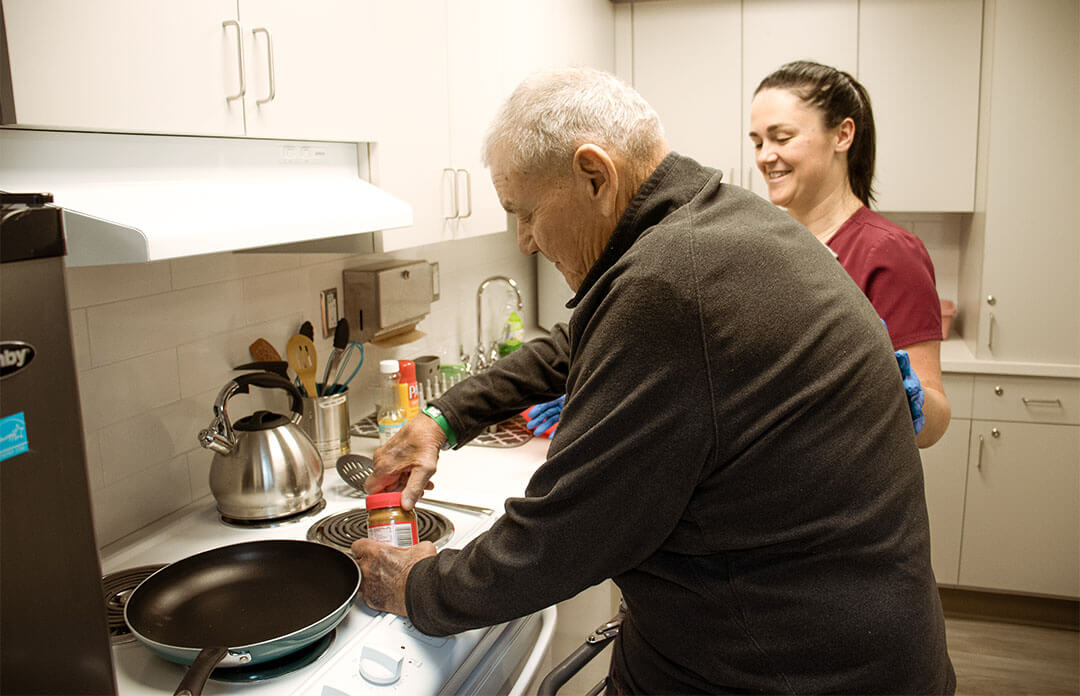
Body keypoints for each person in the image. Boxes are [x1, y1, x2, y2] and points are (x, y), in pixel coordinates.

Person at [351, 67, 954, 694]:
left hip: (789, 670)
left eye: (524, 212)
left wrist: (416, 585)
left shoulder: (670, 282)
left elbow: (563, 535)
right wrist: (445, 415)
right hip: (817, 641)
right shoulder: (717, 220)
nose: (525, 240)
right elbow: (575, 341)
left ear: (595, 175)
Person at [749, 60, 950, 448]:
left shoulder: (889, 252)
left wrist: (907, 398)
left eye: (782, 137)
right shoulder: (768, 243)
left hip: (848, 486)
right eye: (758, 142)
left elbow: (935, 422)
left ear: (842, 135)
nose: (764, 156)